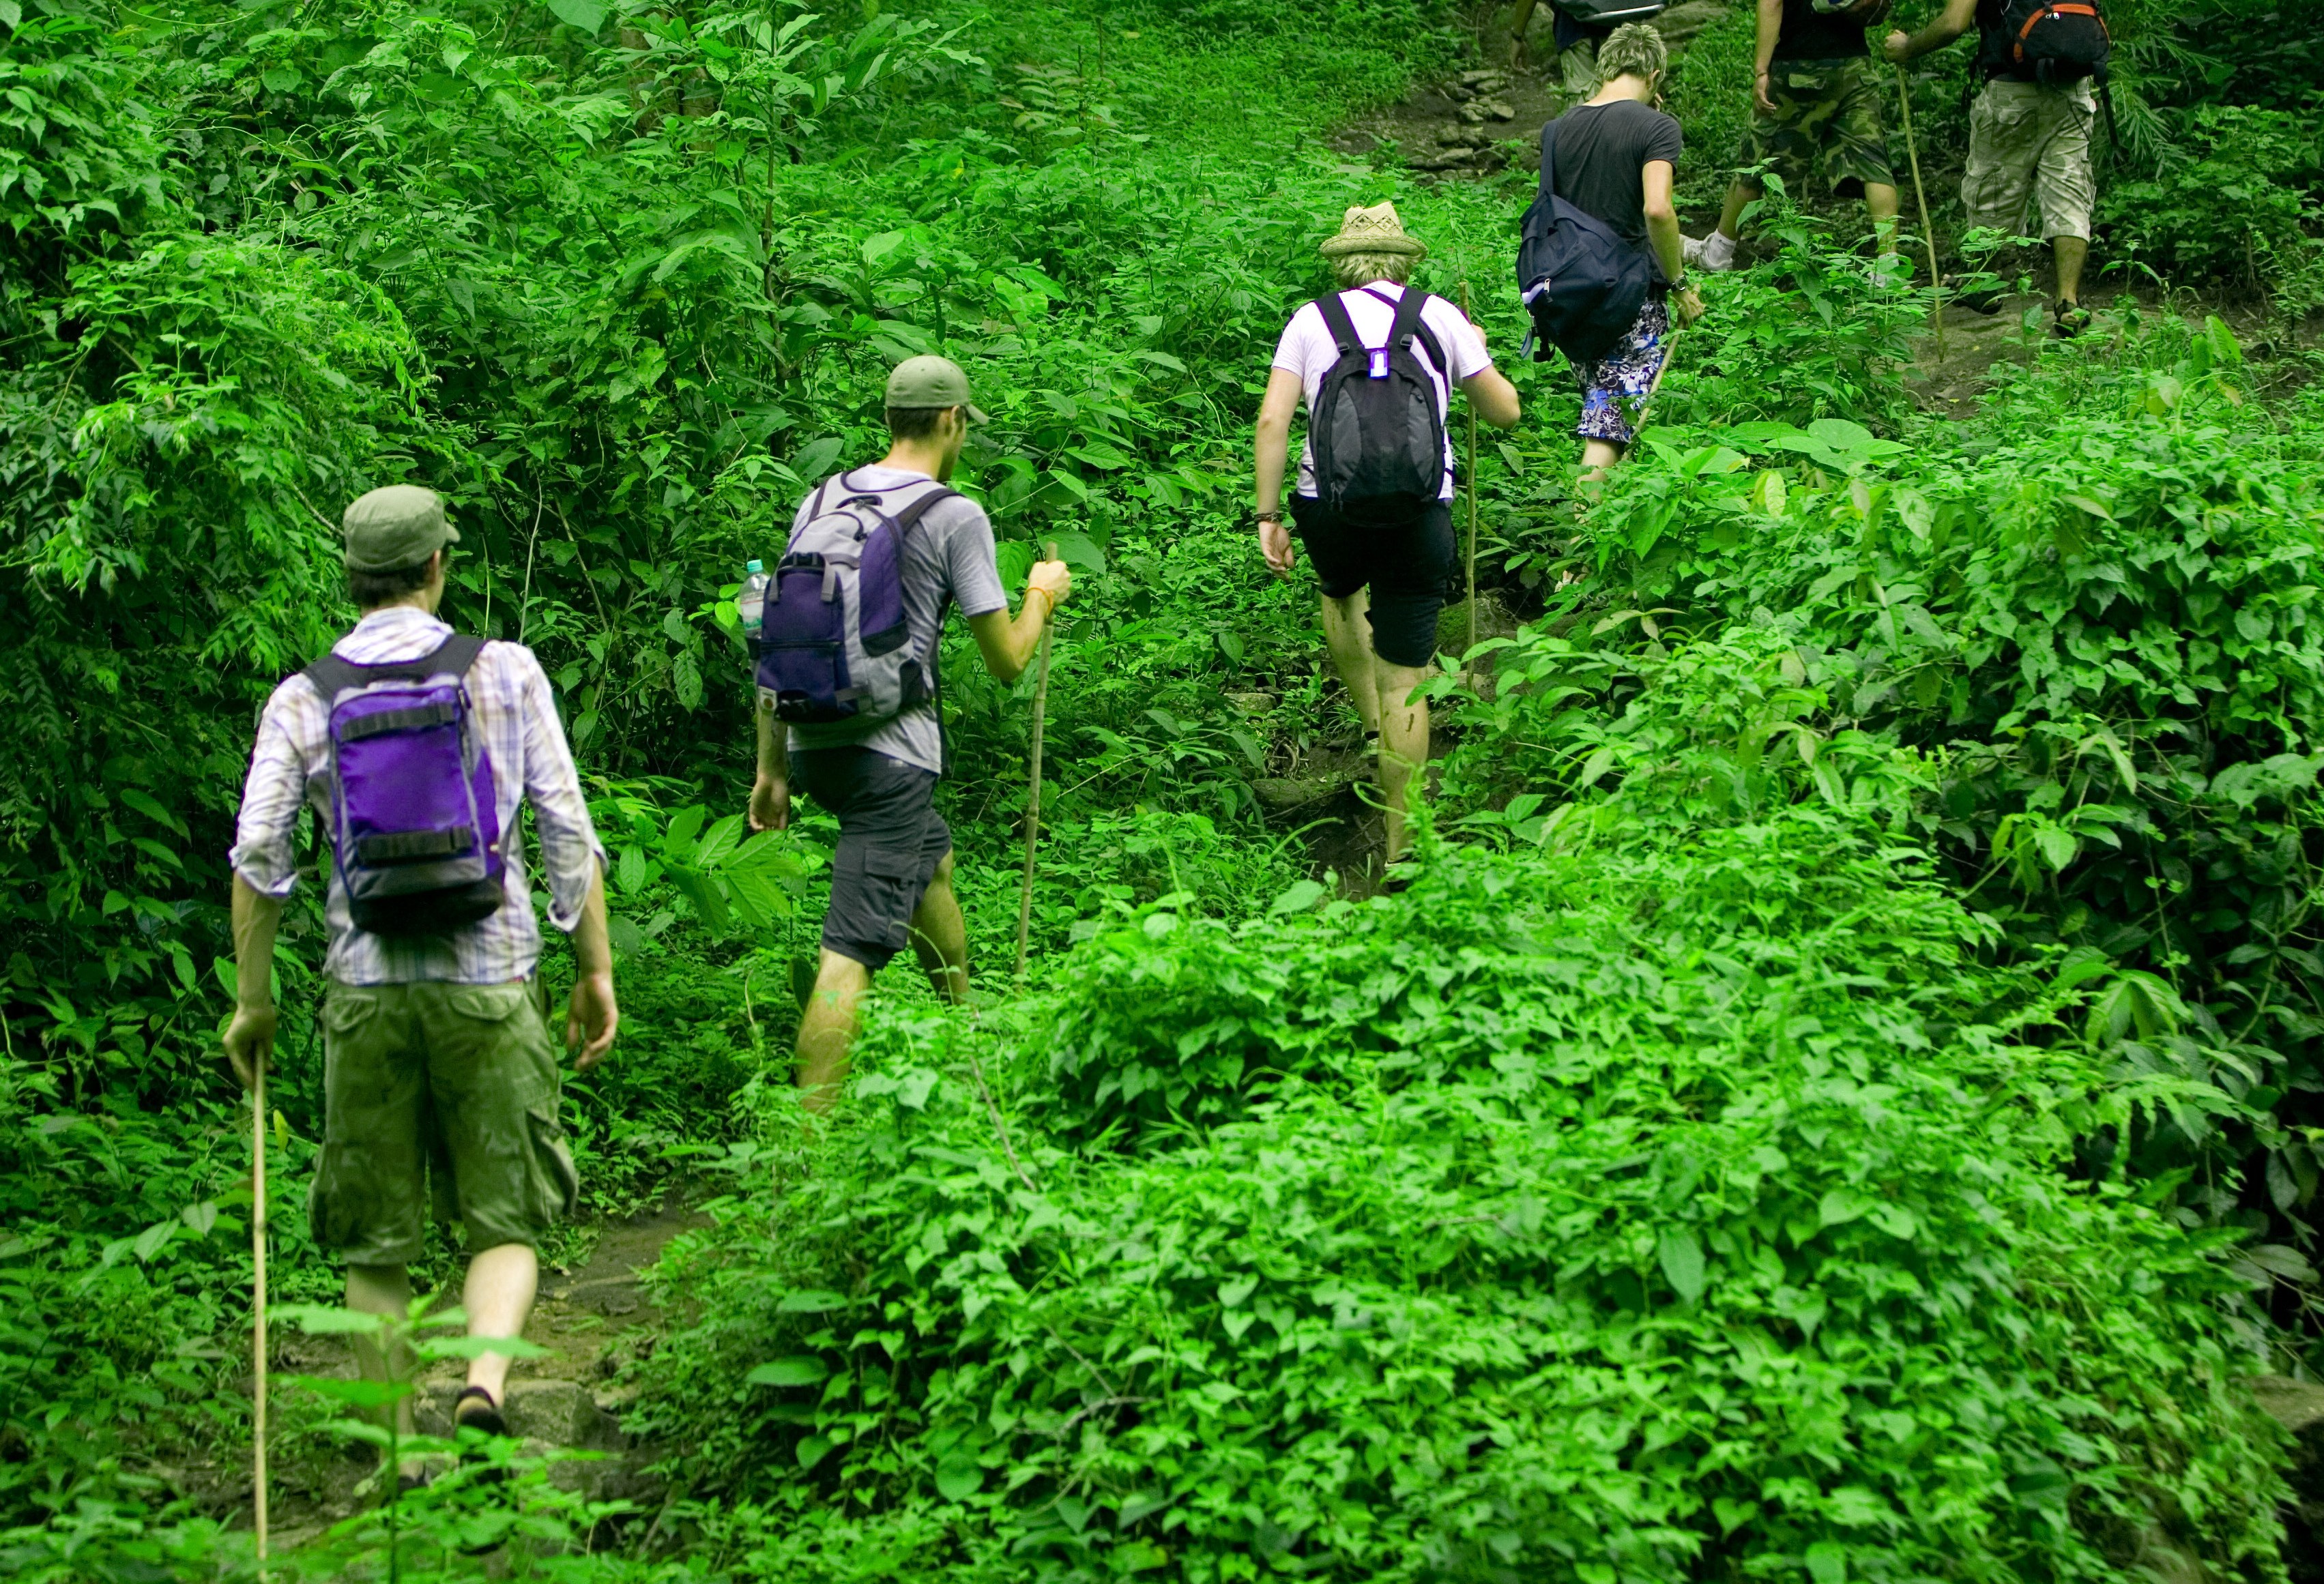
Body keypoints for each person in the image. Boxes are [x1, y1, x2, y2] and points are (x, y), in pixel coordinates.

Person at [224, 484, 619, 1463]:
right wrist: (593, 968)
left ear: (351, 578)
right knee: (508, 1211)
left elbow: (258, 857)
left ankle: (399, 1449)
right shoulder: (506, 671)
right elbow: (568, 830)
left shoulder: (304, 696)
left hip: (364, 987)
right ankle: (484, 1385)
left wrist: (254, 1000)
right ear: (439, 566)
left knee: (376, 1235)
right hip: (490, 976)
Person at [747, 356, 1070, 1113]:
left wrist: (773, 769)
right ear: (952, 421)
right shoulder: (952, 514)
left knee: (932, 866)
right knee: (849, 954)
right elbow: (1006, 662)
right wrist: (1040, 595)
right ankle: (805, 1152)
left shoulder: (820, 498)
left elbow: (776, 634)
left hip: (811, 742)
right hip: (890, 756)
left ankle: (966, 1044)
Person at [1252, 203, 1521, 870]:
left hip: (1328, 507)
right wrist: (1474, 350)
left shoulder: (1310, 321)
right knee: (1409, 677)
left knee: (1341, 589)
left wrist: (1266, 517)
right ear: (1405, 259)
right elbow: (1506, 412)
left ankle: (1371, 726)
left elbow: (1271, 423)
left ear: (1341, 262)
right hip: (1418, 511)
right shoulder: (1440, 317)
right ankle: (1403, 843)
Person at [1540, 23, 1708, 476]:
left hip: (1570, 295)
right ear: (1654, 75)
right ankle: (1586, 528)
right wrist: (1679, 283)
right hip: (1629, 294)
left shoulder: (1558, 130)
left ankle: (1600, 525)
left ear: (1605, 67)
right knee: (1609, 425)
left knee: (1601, 406)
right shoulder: (1655, 126)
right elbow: (1657, 208)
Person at [1883, 0, 2097, 335]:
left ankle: (1985, 286)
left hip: (2012, 90)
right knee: (2069, 189)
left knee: (1993, 190)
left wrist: (1909, 47)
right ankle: (2068, 302)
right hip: (2073, 88)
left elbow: (1954, 23)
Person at [1687, 0, 1901, 272]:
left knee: (1758, 155)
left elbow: (1772, 2)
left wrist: (1762, 70)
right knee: (1872, 160)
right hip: (1855, 65)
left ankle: (1718, 252)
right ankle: (1889, 267)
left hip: (1800, 64)